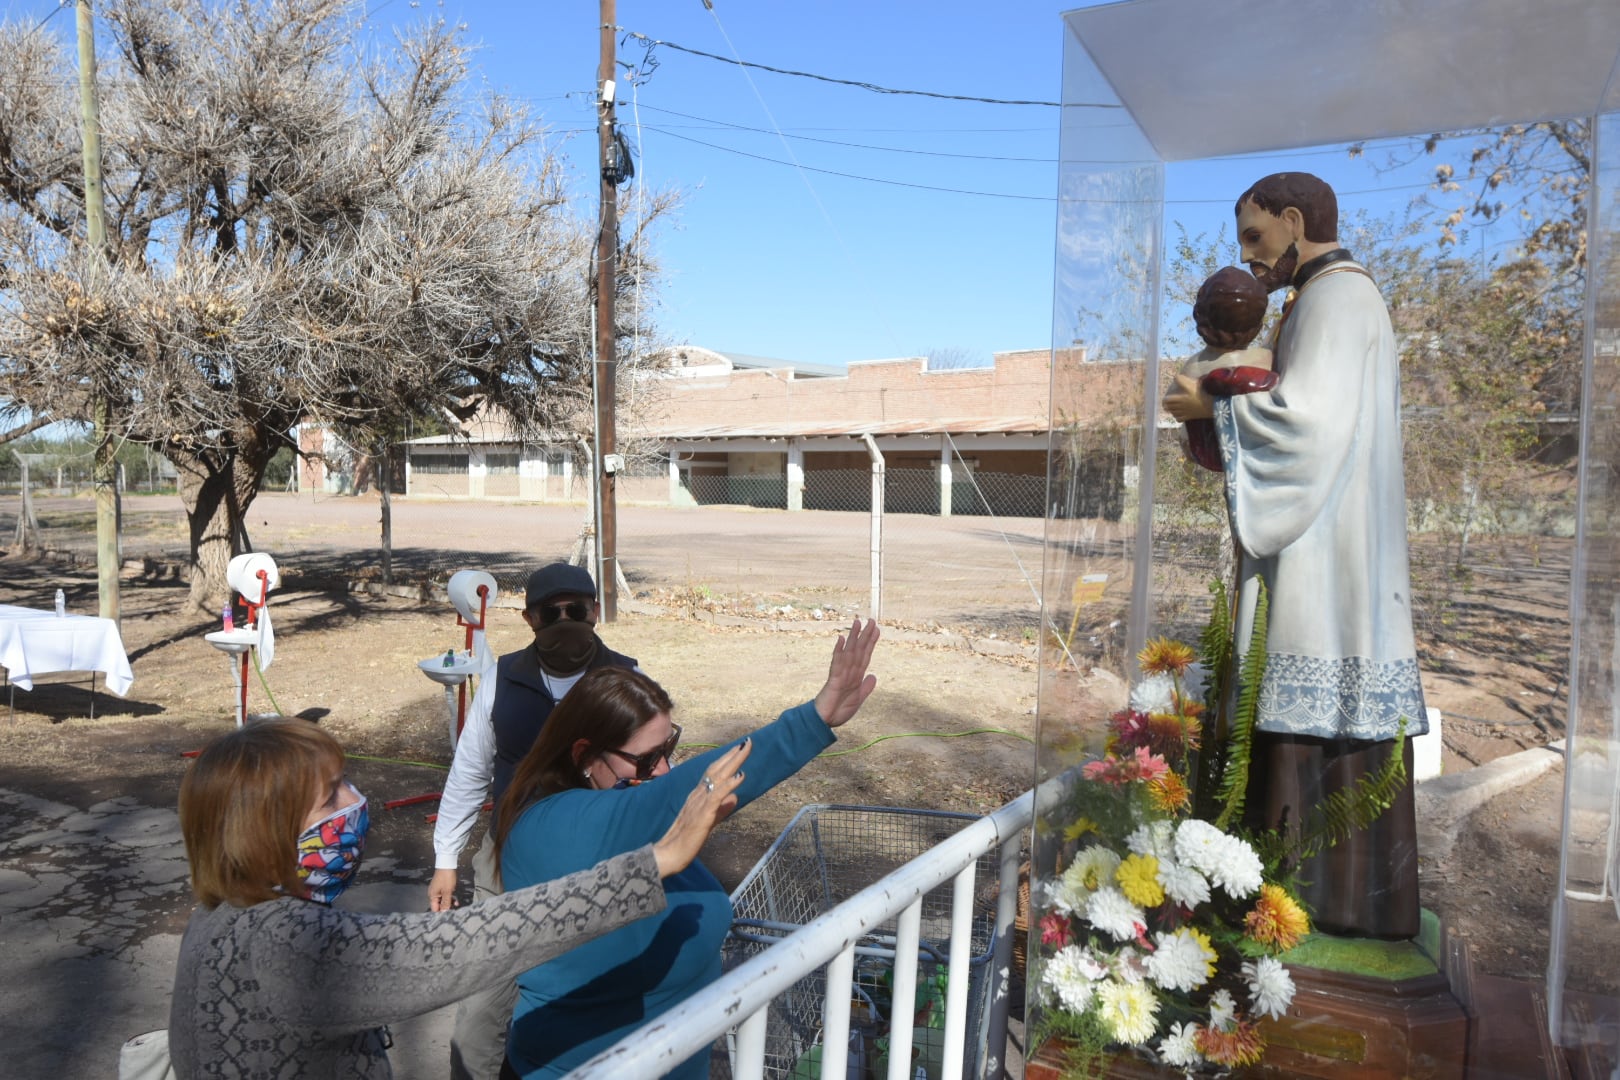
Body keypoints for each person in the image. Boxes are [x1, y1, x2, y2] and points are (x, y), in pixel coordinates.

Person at [168, 717, 749, 1079]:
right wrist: (658, 862)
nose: (356, 800)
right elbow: (469, 942)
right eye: (330, 796)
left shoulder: (220, 916)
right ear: (263, 831)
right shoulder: (282, 943)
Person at [1162, 172, 1428, 939]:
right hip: (1323, 538)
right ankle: (1315, 900)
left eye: (1255, 238)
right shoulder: (1322, 300)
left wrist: (1210, 399)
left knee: (1308, 700)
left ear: (1292, 221)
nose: (1251, 260)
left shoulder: (1338, 299)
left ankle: (1322, 906)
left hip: (1327, 552)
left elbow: (1307, 423)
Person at [494, 618, 882, 1079]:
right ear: (583, 755)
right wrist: (810, 721)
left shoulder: (640, 824)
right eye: (644, 759)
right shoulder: (552, 825)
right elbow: (676, 792)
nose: (661, 770)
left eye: (669, 747)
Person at [429, 562, 640, 1079]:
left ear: (596, 612)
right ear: (529, 619)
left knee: (580, 1020)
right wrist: (445, 859)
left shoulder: (626, 681)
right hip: (507, 867)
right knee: (476, 1027)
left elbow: (654, 776)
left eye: (578, 609)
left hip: (593, 872)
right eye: (552, 611)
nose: (566, 619)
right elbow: (471, 771)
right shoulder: (503, 677)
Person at [1177, 265, 1276, 472]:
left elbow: (1174, 400)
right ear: (1258, 326)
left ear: (1199, 316)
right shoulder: (1265, 358)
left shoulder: (1194, 365)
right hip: (1255, 450)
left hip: (1207, 451)